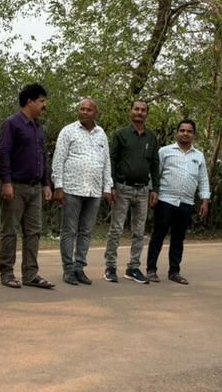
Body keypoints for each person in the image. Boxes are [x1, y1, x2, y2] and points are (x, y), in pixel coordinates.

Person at [0, 83, 55, 289]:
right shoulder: (12, 124)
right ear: (29, 102)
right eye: (41, 101)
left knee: (33, 232)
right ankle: (7, 272)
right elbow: (3, 153)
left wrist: (46, 184)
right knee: (10, 231)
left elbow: (44, 157)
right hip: (16, 186)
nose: (44, 105)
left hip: (35, 188)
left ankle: (30, 274)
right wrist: (6, 182)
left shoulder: (39, 128)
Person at [52, 97, 113, 285]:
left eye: (89, 110)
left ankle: (79, 268)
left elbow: (106, 162)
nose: (84, 112)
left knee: (86, 231)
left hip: (94, 191)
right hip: (71, 188)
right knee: (69, 230)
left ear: (96, 113)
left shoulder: (101, 133)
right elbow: (58, 159)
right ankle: (68, 269)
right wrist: (58, 186)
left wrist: (107, 187)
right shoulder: (68, 131)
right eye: (82, 109)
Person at [146, 119, 211, 285]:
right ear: (177, 132)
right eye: (182, 130)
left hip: (186, 203)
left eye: (189, 131)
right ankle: (151, 270)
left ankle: (174, 271)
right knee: (158, 235)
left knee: (178, 238)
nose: (185, 134)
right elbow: (155, 175)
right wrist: (153, 192)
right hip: (165, 200)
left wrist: (204, 200)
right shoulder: (165, 151)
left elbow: (203, 179)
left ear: (194, 135)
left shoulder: (199, 156)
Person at [103, 99, 159, 283]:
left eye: (143, 110)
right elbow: (112, 160)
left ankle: (133, 268)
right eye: (136, 109)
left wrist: (155, 189)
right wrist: (110, 186)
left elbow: (155, 165)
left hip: (143, 190)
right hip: (122, 188)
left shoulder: (151, 137)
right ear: (131, 111)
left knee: (139, 231)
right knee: (116, 229)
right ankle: (110, 267)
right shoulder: (121, 134)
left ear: (147, 114)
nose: (139, 112)